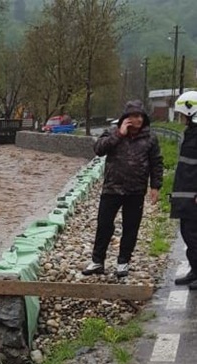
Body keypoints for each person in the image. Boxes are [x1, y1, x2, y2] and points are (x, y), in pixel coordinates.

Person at [82, 100, 164, 277]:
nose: (138, 119)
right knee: (104, 225)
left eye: (140, 116)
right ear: (126, 118)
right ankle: (97, 261)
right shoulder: (113, 132)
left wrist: (155, 186)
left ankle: (123, 262)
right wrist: (119, 134)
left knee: (131, 227)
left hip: (136, 191)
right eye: (134, 116)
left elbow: (156, 162)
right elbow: (98, 149)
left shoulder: (150, 137)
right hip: (112, 189)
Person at [170, 91, 197, 288]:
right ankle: (195, 270)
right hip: (186, 193)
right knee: (188, 233)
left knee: (193, 234)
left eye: (182, 114)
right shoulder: (190, 134)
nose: (180, 118)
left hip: (193, 195)